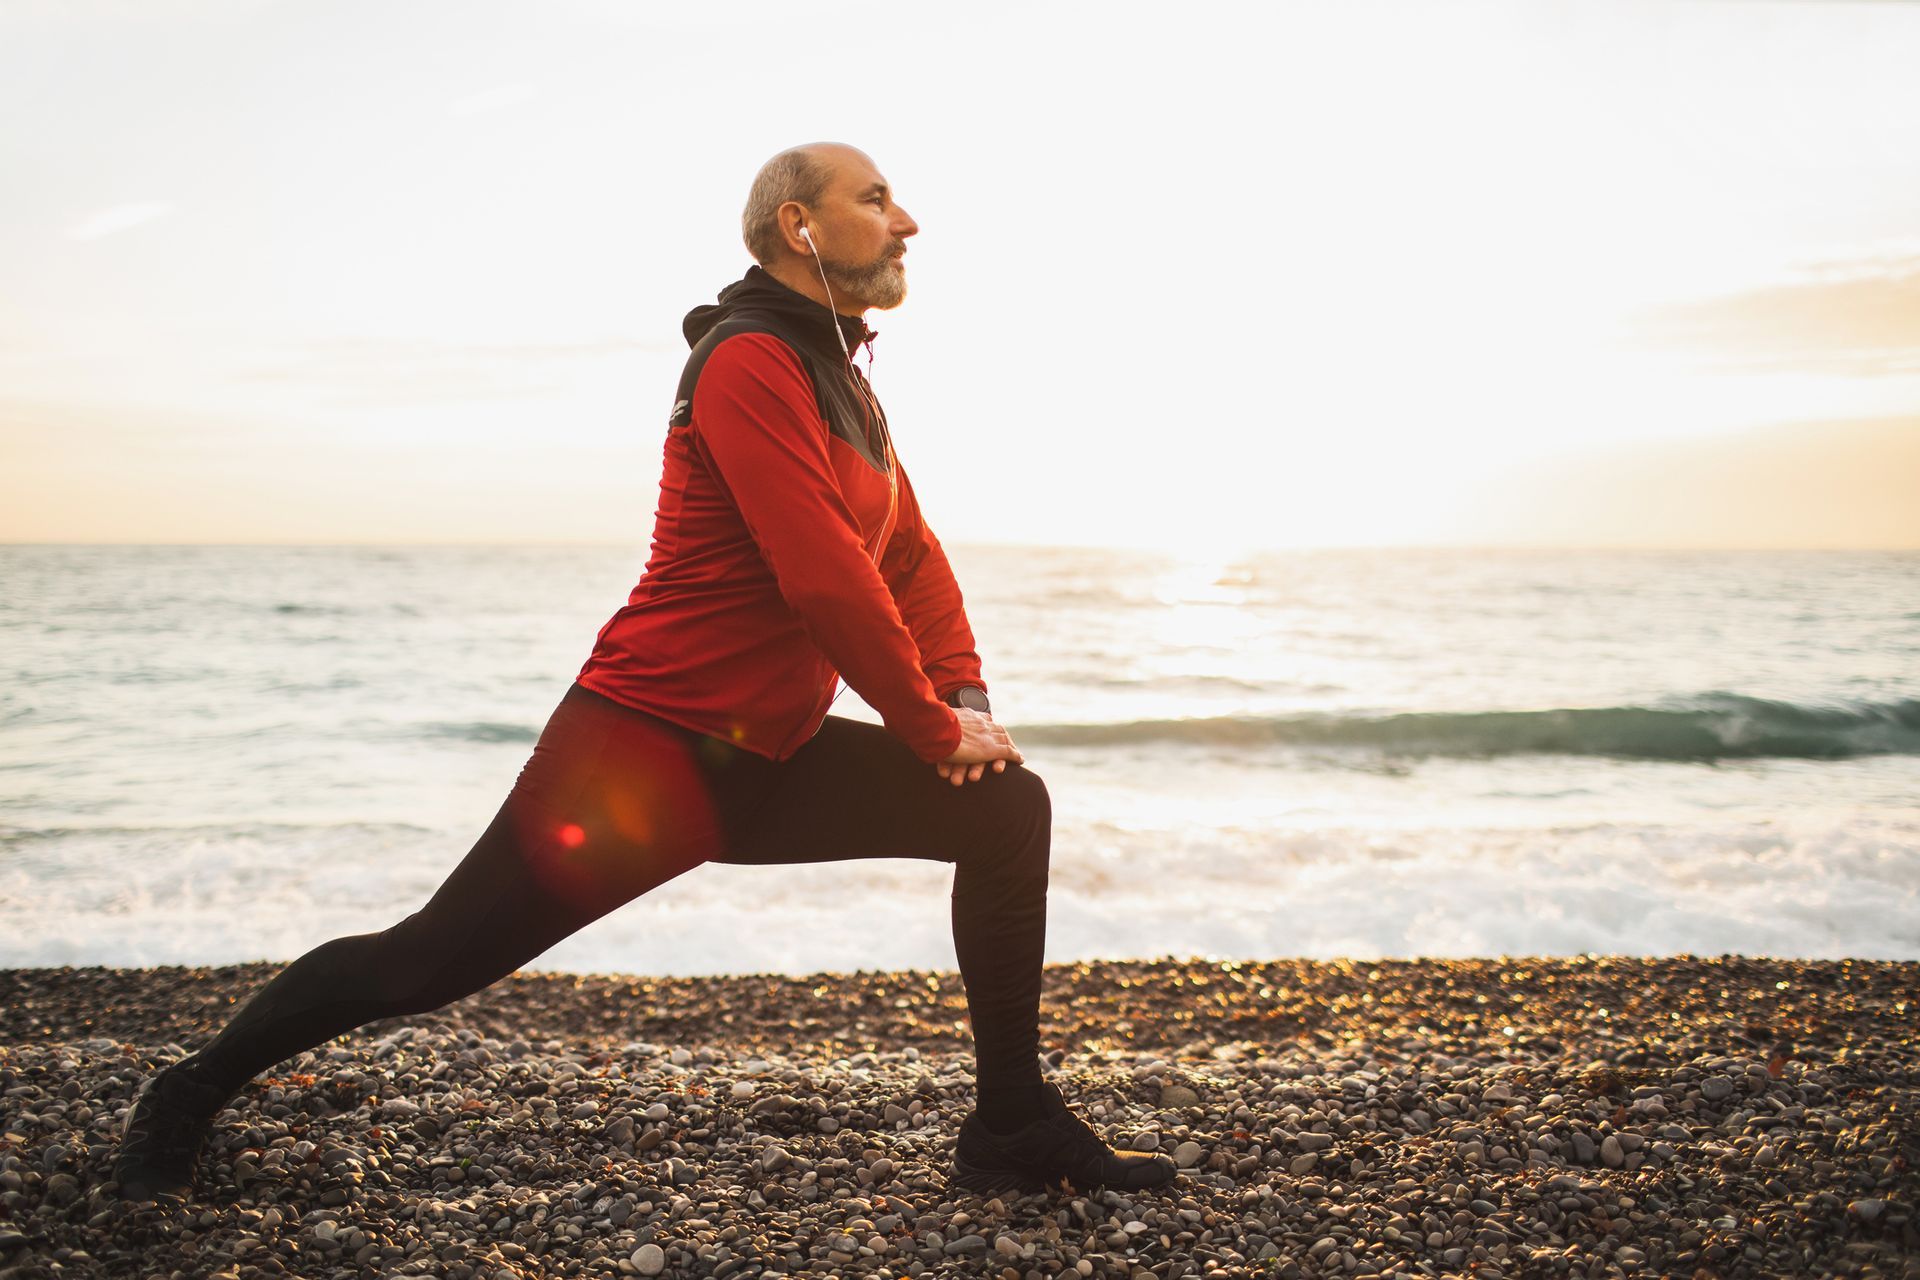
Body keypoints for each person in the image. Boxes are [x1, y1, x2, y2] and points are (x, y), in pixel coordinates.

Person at [113, 142, 1176, 1204]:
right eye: (878, 198)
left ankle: (1010, 1124)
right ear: (799, 226)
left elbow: (907, 554)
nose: (908, 222)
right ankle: (190, 1088)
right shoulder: (746, 358)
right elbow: (823, 572)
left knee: (1005, 810)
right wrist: (926, 727)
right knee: (424, 964)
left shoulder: (846, 381)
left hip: (768, 758)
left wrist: (962, 697)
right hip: (641, 754)